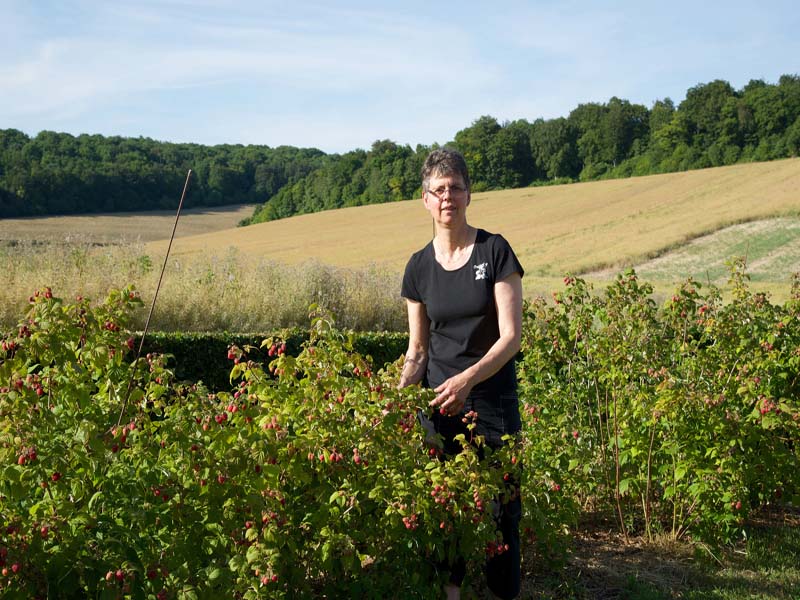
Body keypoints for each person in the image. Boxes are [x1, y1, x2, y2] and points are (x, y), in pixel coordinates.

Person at [398, 148, 523, 600]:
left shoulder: (495, 250)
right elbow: (417, 350)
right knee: (444, 506)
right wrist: (397, 397)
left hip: (491, 401)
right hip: (439, 406)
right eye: (438, 190)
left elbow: (511, 337)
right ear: (425, 200)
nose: (447, 196)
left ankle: (502, 593)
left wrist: (467, 379)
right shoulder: (418, 267)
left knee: (502, 508)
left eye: (455, 187)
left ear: (469, 195)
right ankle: (450, 594)